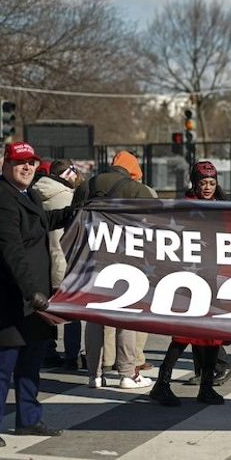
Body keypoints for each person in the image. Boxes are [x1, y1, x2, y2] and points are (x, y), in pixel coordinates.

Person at [0, 142, 78, 448]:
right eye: (21, 162)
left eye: (32, 163)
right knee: (1, 365)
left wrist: (74, 211)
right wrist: (32, 291)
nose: (28, 168)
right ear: (7, 164)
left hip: (36, 298)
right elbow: (12, 252)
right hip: (11, 300)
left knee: (32, 362)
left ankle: (28, 419)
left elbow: (41, 222)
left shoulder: (27, 194)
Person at [149, 160, 231, 407]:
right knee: (184, 332)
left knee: (211, 335)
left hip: (212, 276)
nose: (207, 187)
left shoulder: (224, 207)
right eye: (203, 183)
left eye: (212, 183)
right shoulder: (183, 207)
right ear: (194, 184)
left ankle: (206, 386)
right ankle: (161, 384)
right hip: (188, 277)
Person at [77, 150, 155, 390]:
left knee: (93, 318)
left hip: (90, 260)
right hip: (126, 261)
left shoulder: (85, 187)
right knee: (126, 316)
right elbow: (154, 228)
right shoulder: (137, 190)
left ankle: (94, 375)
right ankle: (127, 373)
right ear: (133, 172)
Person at [33, 159, 82, 369]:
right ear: (67, 175)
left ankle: (47, 352)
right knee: (71, 313)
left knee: (45, 310)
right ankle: (72, 356)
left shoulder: (33, 194)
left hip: (43, 261)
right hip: (64, 261)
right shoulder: (69, 197)